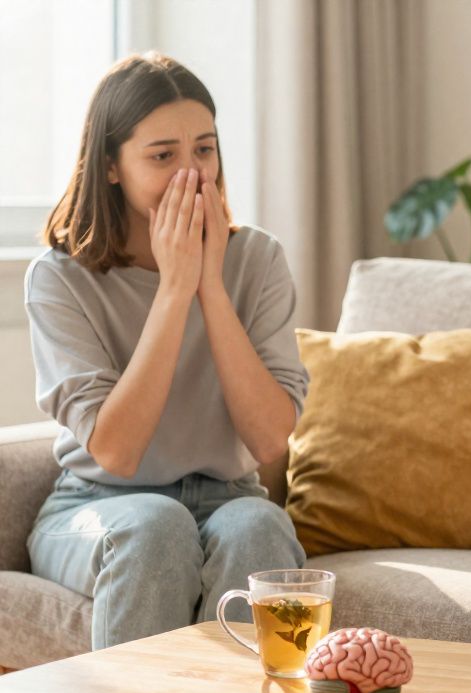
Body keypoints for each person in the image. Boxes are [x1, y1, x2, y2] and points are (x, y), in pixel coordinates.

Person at [25, 52, 308, 650]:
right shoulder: (58, 279)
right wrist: (175, 289)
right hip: (98, 503)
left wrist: (209, 283)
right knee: (156, 526)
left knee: (261, 526)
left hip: (230, 495)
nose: (193, 175)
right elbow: (118, 452)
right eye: (162, 156)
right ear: (110, 167)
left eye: (204, 150)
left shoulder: (257, 260)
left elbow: (266, 442)